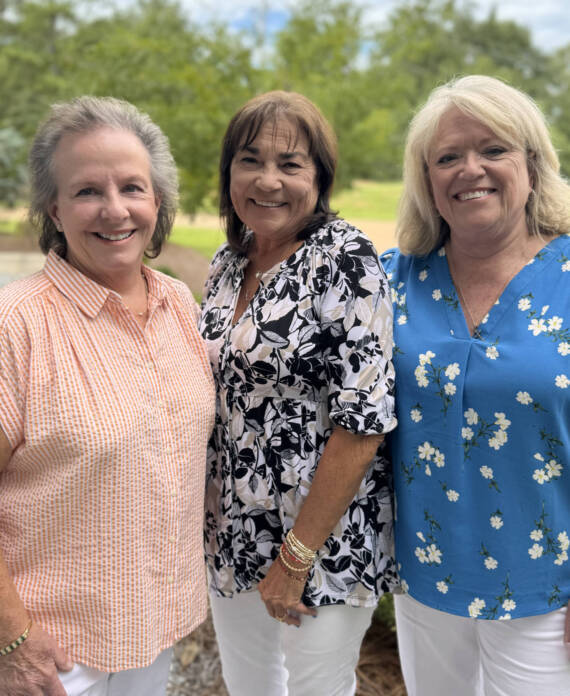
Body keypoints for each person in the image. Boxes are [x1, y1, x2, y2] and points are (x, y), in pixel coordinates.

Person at [0, 96, 215, 696]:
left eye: (132, 187)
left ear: (158, 201)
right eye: (88, 191)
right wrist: (14, 639)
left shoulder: (179, 306)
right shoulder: (16, 325)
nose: (114, 210)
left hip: (154, 628)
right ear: (54, 206)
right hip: (53, 653)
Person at [199, 90, 398, 696]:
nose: (268, 180)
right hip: (231, 532)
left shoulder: (348, 260)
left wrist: (295, 557)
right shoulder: (227, 263)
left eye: (291, 164)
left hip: (320, 539)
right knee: (250, 687)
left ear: (321, 177)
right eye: (250, 160)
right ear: (229, 170)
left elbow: (363, 423)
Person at [381, 74, 570, 696]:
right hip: (426, 578)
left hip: (548, 588)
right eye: (448, 157)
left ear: (533, 164)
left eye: (494, 150)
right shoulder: (392, 282)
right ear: (427, 179)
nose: (471, 169)